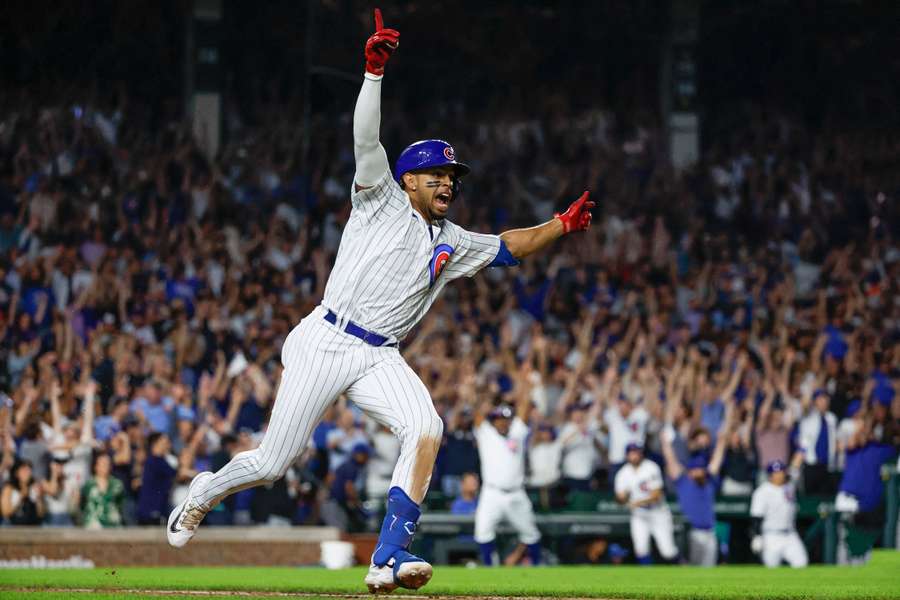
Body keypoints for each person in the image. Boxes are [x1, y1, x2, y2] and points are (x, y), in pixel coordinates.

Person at [164, 8, 593, 594]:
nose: (448, 182)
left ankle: (387, 558)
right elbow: (366, 138)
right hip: (327, 338)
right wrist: (372, 73)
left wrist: (559, 227)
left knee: (425, 427)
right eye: (437, 174)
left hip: (379, 354)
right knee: (272, 464)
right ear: (409, 178)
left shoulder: (453, 240)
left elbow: (509, 247)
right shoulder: (379, 199)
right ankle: (204, 492)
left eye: (452, 176)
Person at [472, 401, 542, 567]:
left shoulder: (516, 433)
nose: (503, 422)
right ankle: (490, 568)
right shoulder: (486, 434)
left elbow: (524, 411)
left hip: (516, 493)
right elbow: (477, 416)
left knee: (531, 533)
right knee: (482, 532)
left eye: (507, 418)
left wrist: (527, 384)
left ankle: (538, 567)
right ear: (494, 421)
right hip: (492, 493)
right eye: (499, 418)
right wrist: (475, 396)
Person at [661, 408, 730, 566]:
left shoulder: (709, 480)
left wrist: (721, 440)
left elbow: (717, 458)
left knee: (708, 574)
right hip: (690, 533)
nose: (699, 471)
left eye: (701, 468)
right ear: (690, 470)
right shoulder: (683, 480)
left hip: (709, 532)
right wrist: (665, 443)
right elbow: (671, 459)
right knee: (689, 572)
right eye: (696, 469)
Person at [614, 443, 678, 564]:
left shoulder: (651, 467)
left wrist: (637, 502)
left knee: (668, 551)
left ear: (641, 453)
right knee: (641, 549)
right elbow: (619, 498)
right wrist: (622, 498)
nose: (634, 455)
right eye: (631, 453)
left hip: (658, 513)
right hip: (639, 515)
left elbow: (656, 495)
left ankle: (682, 568)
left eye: (636, 452)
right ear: (627, 455)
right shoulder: (623, 473)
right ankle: (648, 578)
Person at [749, 460, 809, 568]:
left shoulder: (789, 486)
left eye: (781, 471)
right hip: (771, 536)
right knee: (771, 568)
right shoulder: (762, 491)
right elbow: (756, 516)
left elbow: (795, 468)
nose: (780, 475)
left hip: (790, 534)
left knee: (801, 563)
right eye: (776, 472)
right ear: (770, 475)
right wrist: (757, 536)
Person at [321, 443, 371, 532]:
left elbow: (330, 479)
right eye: (365, 455)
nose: (367, 458)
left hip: (332, 504)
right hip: (334, 506)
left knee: (339, 533)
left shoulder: (346, 464)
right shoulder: (352, 467)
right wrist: (357, 503)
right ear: (358, 455)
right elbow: (349, 487)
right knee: (340, 534)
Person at [81, 453, 125, 528]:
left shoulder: (117, 485)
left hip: (113, 526)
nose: (105, 466)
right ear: (96, 466)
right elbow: (82, 504)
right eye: (103, 463)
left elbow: (120, 504)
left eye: (107, 464)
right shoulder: (88, 485)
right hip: (93, 527)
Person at [1, 459, 45, 525]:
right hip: (13, 526)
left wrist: (39, 499)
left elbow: (41, 514)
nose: (28, 473)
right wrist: (21, 497)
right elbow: (5, 512)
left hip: (32, 526)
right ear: (17, 472)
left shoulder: (34, 486)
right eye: (24, 470)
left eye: (29, 470)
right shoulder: (9, 488)